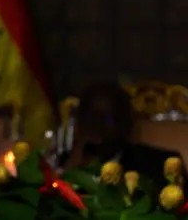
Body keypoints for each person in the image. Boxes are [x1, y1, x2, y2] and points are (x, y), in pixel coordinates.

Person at [60, 82, 188, 192]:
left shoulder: (161, 165)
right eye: (91, 118)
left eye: (107, 119)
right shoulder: (62, 165)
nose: (97, 126)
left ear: (127, 123)